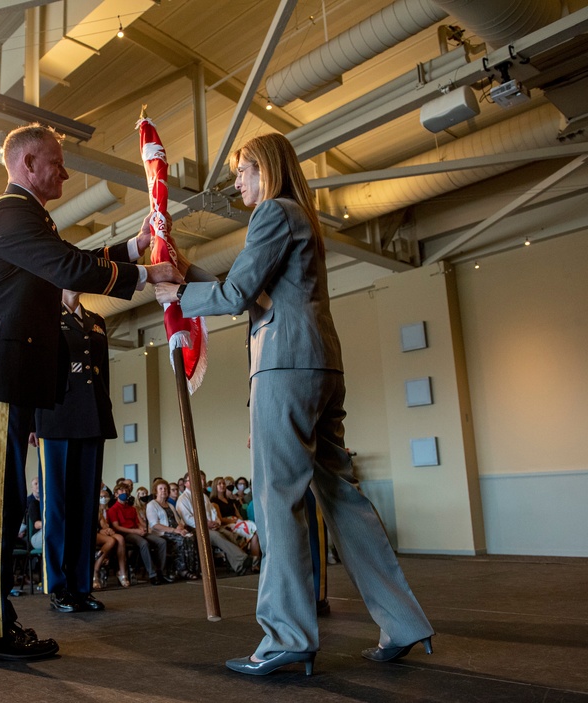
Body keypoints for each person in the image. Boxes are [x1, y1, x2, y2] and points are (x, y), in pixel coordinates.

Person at [156, 132, 433, 677]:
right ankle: (402, 621)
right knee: (341, 495)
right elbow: (255, 291)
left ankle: (287, 636)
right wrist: (186, 272)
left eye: (243, 172)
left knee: (277, 498)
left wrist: (177, 296)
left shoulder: (273, 213)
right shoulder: (300, 217)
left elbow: (237, 298)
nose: (237, 183)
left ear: (268, 168)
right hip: (320, 364)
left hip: (284, 366)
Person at [0, 123, 182, 663]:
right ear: (28, 163)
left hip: (3, 376)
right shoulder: (11, 213)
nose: (66, 173)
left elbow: (66, 261)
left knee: (0, 507)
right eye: (57, 162)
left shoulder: (25, 214)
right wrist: (145, 273)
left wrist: (129, 246)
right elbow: (67, 266)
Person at [33, 288, 117, 613]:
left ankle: (81, 587)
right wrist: (31, 422)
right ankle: (58, 587)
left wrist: (105, 411)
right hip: (55, 417)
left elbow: (103, 374)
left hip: (92, 417)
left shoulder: (96, 321)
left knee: (85, 508)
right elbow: (36, 369)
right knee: (57, 507)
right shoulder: (44, 316)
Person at [177, 473, 251, 576]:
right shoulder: (183, 499)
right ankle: (242, 558)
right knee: (217, 536)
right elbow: (188, 519)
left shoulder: (203, 496)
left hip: (211, 526)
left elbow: (213, 512)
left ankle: (238, 566)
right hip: (196, 529)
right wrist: (206, 524)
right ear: (186, 483)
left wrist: (216, 522)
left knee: (230, 535)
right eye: (193, 480)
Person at [107, 482, 170, 585]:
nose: (125, 493)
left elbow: (138, 522)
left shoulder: (132, 509)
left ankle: (160, 572)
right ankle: (152, 574)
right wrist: (135, 531)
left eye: (126, 491)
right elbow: (117, 527)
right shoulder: (112, 510)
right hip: (125, 533)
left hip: (137, 531)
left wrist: (142, 529)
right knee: (144, 543)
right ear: (116, 494)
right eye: (122, 491)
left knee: (161, 542)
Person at [146, 479, 198, 580]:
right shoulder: (152, 505)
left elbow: (178, 520)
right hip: (162, 533)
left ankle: (192, 569)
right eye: (160, 489)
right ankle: (182, 570)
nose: (163, 491)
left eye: (165, 489)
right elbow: (154, 525)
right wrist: (174, 530)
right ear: (156, 491)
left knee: (191, 537)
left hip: (175, 531)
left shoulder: (170, 505)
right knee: (181, 540)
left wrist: (180, 527)